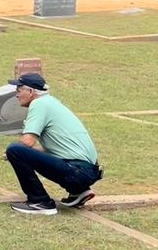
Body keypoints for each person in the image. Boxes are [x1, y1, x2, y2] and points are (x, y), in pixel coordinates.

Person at [5, 73, 103, 215]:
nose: (16, 95)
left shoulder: (39, 104)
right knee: (19, 151)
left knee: (15, 149)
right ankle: (79, 191)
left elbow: (28, 141)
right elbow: (52, 148)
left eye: (18, 90)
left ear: (31, 91)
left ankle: (40, 201)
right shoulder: (51, 102)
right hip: (88, 171)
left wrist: (16, 153)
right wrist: (26, 153)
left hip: (78, 171)